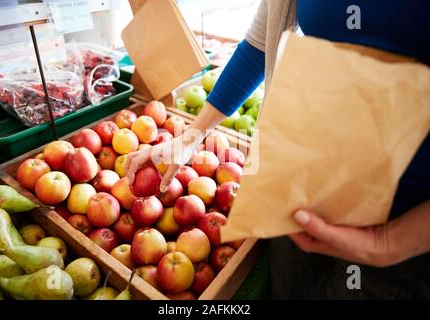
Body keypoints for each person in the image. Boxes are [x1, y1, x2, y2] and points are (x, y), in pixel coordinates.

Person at [126, 0, 430, 298]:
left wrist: (389, 242)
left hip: (406, 226)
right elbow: (260, 45)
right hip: (299, 182)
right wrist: (188, 138)